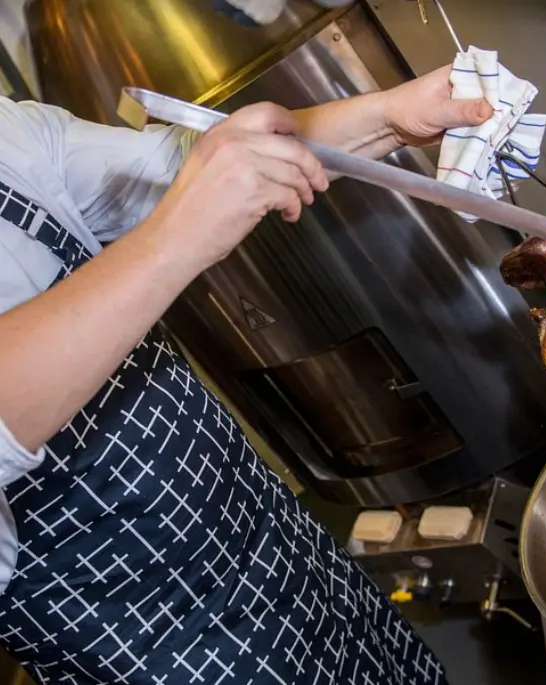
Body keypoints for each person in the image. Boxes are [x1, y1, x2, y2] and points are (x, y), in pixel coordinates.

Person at [0, 64, 492, 683]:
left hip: (274, 543)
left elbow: (179, 169)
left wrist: (391, 115)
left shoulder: (7, 132)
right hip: (146, 636)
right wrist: (177, 236)